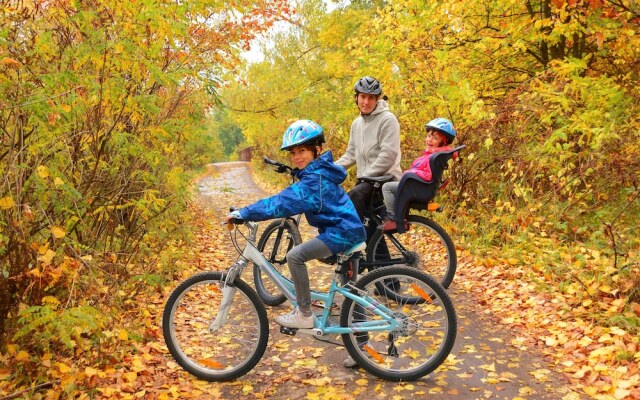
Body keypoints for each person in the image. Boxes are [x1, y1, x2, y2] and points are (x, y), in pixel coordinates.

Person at [226, 119, 366, 329]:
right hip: (348, 230)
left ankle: (304, 313)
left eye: (302, 151)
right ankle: (362, 349)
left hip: (342, 233)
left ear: (317, 150)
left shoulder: (313, 182)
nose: (297, 157)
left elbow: (280, 203)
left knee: (295, 256)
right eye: (293, 153)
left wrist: (245, 213)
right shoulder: (320, 173)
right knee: (352, 294)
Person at [335, 76, 402, 220]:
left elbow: (388, 155)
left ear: (377, 99)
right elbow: (351, 154)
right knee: (371, 232)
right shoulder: (356, 124)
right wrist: (329, 169)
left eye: (371, 98)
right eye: (363, 96)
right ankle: (374, 242)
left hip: (385, 179)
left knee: (352, 199)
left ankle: (346, 239)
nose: (366, 102)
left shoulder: (387, 120)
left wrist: (366, 177)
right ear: (356, 97)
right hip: (367, 181)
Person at [381, 118, 457, 232]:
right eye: (429, 136)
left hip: (420, 188)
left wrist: (409, 173)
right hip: (420, 187)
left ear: (443, 142)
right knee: (392, 182)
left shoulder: (433, 157)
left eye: (435, 138)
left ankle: (394, 219)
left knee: (386, 187)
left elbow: (426, 175)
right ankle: (402, 218)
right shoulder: (433, 155)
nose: (429, 139)